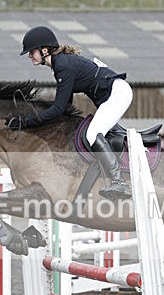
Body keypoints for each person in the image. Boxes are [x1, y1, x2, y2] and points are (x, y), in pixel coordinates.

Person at [10, 25, 133, 200]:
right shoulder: (60, 64)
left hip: (117, 93)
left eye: (32, 51)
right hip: (112, 94)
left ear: (45, 50)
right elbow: (65, 107)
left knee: (92, 135)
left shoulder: (63, 65)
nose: (30, 55)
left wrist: (27, 121)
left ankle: (119, 182)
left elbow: (59, 108)